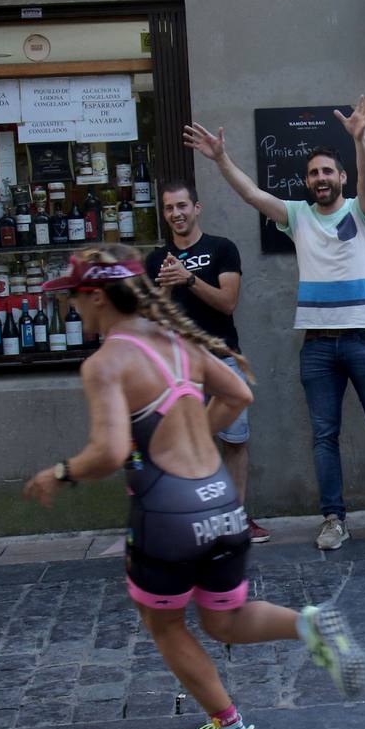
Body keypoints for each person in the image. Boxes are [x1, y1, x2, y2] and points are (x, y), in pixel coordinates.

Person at [23, 246, 365, 729]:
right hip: (222, 503)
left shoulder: (106, 362)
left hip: (167, 515)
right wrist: (189, 443)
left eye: (74, 299)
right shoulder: (179, 343)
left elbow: (111, 451)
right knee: (224, 619)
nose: (73, 310)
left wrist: (61, 471)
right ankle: (308, 624)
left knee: (164, 624)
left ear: (95, 297)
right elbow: (238, 397)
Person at [185, 96, 365, 550]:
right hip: (317, 347)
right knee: (324, 435)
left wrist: (359, 141)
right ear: (307, 182)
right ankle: (333, 519)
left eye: (328, 172)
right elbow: (251, 194)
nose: (321, 179)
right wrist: (221, 159)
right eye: (314, 173)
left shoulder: (362, 213)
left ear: (341, 178)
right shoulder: (296, 217)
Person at [143, 182, 269, 545]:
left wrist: (189, 279)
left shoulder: (221, 249)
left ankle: (236, 519)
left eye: (182, 206)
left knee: (235, 441)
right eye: (169, 209)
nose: (176, 214)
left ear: (197, 208)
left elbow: (228, 302)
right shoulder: (156, 260)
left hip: (222, 361)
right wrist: (167, 286)